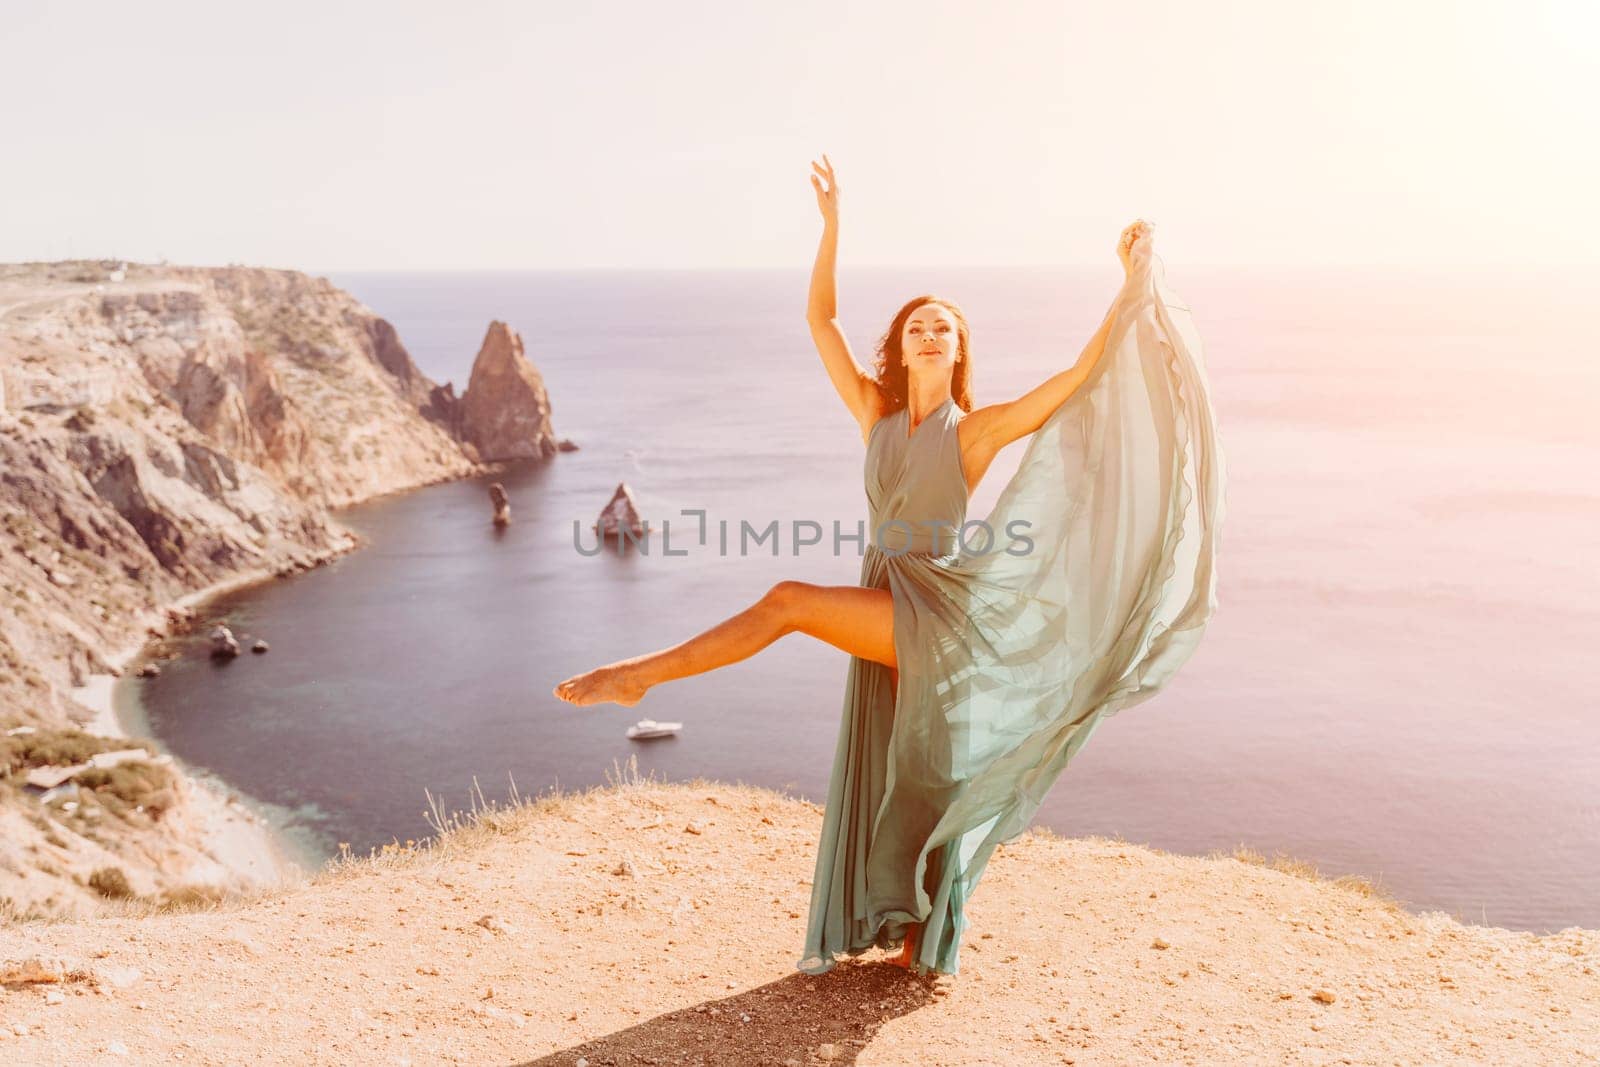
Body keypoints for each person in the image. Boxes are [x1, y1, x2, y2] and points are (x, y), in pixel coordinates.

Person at [554, 155, 1226, 977]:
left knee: (790, 599)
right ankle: (922, 931)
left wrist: (1131, 283)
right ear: (902, 349)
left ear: (959, 347)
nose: (930, 332)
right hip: (884, 588)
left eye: (944, 325)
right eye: (917, 325)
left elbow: (1079, 378)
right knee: (916, 768)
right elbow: (821, 322)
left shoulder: (975, 431)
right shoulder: (873, 410)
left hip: (936, 607)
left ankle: (640, 676)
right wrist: (832, 228)